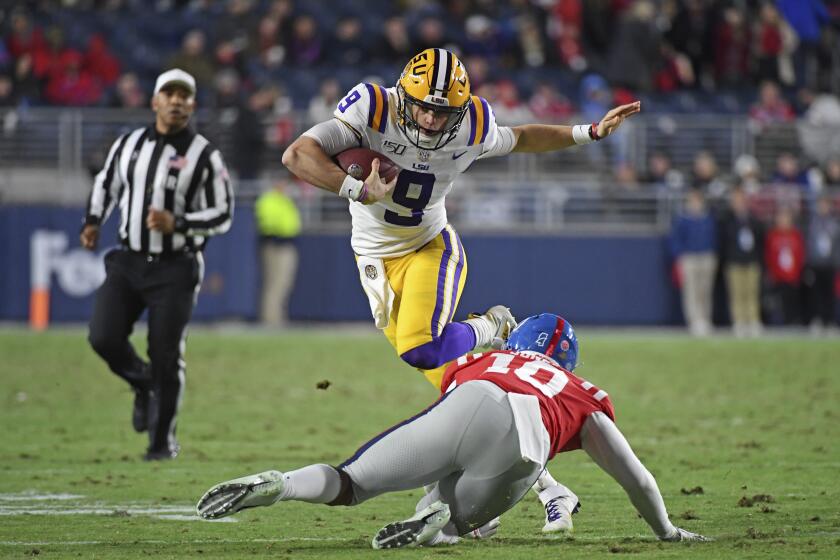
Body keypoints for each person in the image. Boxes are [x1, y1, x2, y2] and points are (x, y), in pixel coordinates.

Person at [281, 48, 640, 530]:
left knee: (422, 349)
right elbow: (297, 154)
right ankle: (553, 491)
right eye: (423, 106)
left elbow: (522, 137)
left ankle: (491, 325)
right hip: (374, 261)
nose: (430, 118)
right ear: (403, 94)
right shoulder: (371, 106)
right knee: (458, 385)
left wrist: (588, 132)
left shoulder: (472, 124)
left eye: (442, 110)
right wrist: (355, 189)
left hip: (431, 246)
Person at [196, 313, 708, 547]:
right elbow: (636, 478)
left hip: (472, 396)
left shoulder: (488, 358)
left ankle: (281, 484)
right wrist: (666, 530)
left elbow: (452, 434)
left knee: (350, 482)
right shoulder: (582, 392)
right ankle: (440, 524)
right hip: (525, 436)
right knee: (461, 522)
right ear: (569, 362)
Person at [80, 69, 234, 460]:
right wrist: (93, 220)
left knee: (166, 353)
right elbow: (106, 183)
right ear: (155, 101)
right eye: (170, 93)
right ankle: (143, 382)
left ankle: (161, 444)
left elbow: (223, 213)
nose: (177, 101)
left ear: (193, 104)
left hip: (176, 266)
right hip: (128, 260)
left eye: (185, 95)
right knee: (103, 336)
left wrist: (178, 223)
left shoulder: (204, 154)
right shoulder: (129, 144)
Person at [670, 189, 718, 336]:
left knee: (705, 290)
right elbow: (675, 239)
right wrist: (679, 256)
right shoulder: (683, 219)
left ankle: (705, 319)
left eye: (698, 201)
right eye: (693, 201)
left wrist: (712, 253)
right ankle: (694, 320)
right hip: (689, 258)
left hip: (706, 257)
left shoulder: (707, 218)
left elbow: (714, 237)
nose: (695, 204)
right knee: (691, 291)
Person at [719, 187, 764, 337]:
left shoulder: (754, 220)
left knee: (751, 293)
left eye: (741, 200)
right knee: (736, 294)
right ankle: (739, 322)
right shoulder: (727, 220)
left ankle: (753, 321)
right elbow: (724, 242)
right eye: (736, 201)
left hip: (751, 261)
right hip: (734, 262)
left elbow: (760, 240)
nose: (739, 204)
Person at [255, 180, 301, 327]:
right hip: (275, 244)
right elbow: (266, 222)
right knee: (275, 282)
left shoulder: (285, 200)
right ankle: (271, 319)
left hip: (287, 243)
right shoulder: (268, 200)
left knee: (283, 283)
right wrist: (276, 235)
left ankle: (277, 317)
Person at [803, 196, 839, 332]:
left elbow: (837, 246)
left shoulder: (834, 223)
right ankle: (817, 319)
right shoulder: (812, 223)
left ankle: (829, 320)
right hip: (815, 264)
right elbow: (808, 245)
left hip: (829, 264)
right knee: (816, 294)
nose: (823, 208)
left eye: (825, 205)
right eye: (821, 205)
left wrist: (836, 263)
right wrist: (808, 265)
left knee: (829, 294)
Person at [764, 207, 805, 325]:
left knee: (793, 300)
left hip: (792, 275)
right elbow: (769, 255)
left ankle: (793, 321)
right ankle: (780, 322)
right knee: (779, 302)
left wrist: (798, 272)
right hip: (778, 276)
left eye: (786, 218)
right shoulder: (773, 235)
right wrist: (772, 273)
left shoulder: (796, 235)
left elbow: (800, 254)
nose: (783, 221)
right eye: (781, 218)